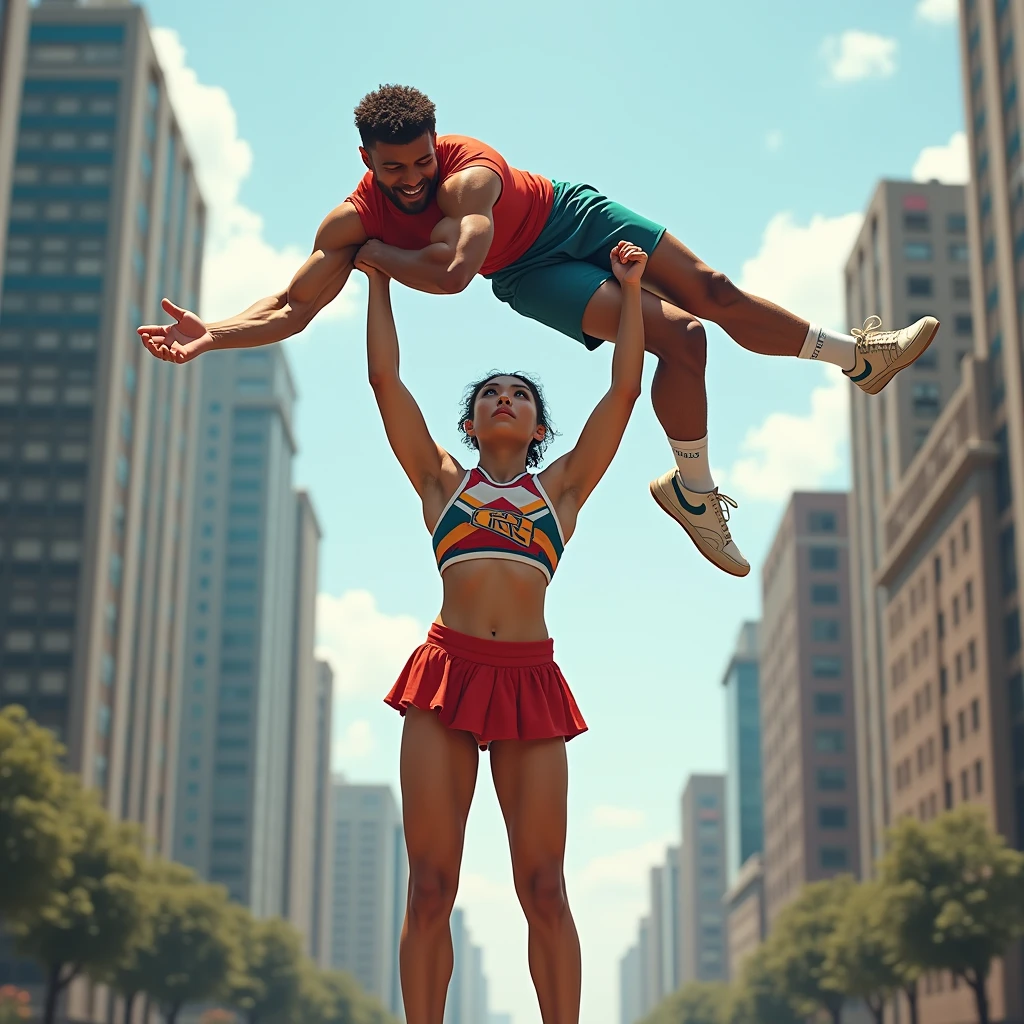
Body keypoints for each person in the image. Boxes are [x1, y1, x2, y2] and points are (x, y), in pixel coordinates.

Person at [137, 84, 940, 579]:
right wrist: (213, 333)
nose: (412, 181)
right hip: (531, 276)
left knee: (715, 291)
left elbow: (452, 271)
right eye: (394, 172)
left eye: (421, 163)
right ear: (366, 159)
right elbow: (291, 306)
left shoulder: (470, 176)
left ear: (435, 145)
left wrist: (376, 251)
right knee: (683, 340)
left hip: (569, 212)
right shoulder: (347, 216)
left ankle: (856, 359)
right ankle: (695, 491)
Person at [359, 240, 646, 1024]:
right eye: (490, 393)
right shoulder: (440, 481)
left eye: (520, 393)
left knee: (544, 886)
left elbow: (624, 392)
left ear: (538, 425)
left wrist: (631, 289)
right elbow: (386, 381)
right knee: (429, 885)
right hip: (446, 673)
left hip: (529, 681)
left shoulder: (562, 489)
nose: (505, 398)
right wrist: (379, 283)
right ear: (471, 420)